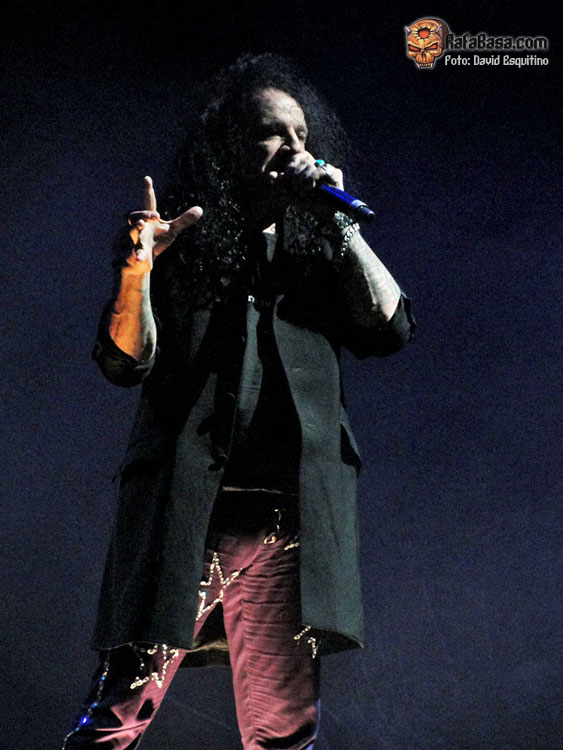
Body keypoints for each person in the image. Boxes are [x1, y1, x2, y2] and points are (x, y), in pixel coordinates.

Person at [62, 53, 415, 750]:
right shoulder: (180, 240)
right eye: (272, 132)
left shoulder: (318, 251)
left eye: (302, 135)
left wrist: (343, 226)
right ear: (227, 146)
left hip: (290, 519)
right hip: (192, 514)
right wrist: (138, 268)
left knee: (284, 732)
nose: (294, 148)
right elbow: (125, 362)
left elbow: (390, 327)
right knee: (119, 715)